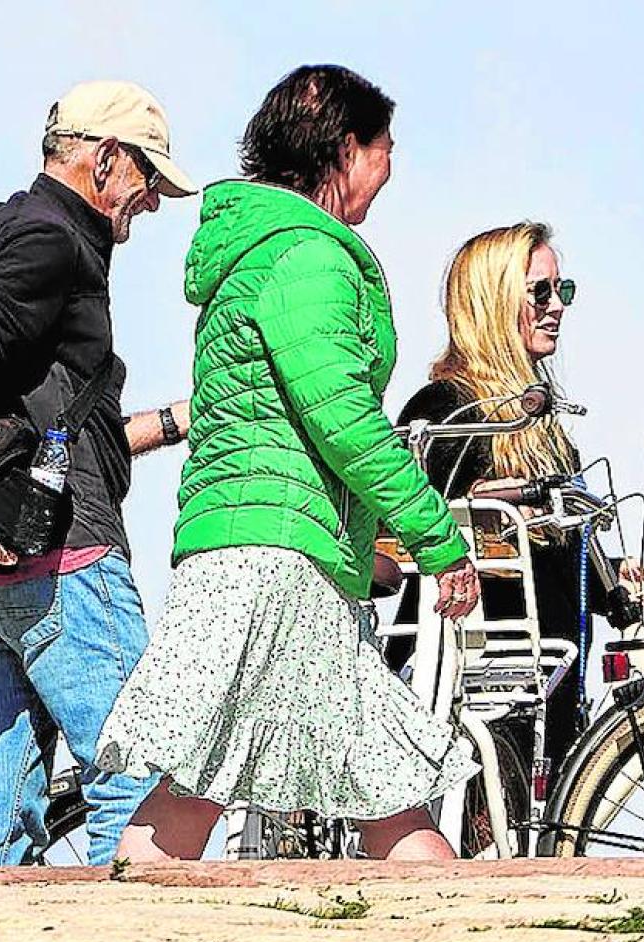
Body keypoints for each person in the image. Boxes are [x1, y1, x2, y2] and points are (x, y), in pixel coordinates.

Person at [95, 65, 483, 861]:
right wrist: (439, 538)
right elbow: (342, 419)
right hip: (279, 552)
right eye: (384, 150)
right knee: (251, 784)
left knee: (348, 783)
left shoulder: (261, 253)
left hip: (259, 546)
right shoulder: (308, 257)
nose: (389, 169)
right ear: (344, 150)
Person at [0, 81, 198, 866]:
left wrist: (177, 421)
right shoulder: (52, 240)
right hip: (64, 566)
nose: (153, 203)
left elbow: (52, 425)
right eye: (148, 177)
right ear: (106, 159)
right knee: (141, 788)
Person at [388, 221, 644, 786]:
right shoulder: (446, 409)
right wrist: (502, 503)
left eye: (561, 291)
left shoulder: (544, 425)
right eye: (539, 292)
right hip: (483, 674)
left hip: (552, 669)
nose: (555, 307)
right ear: (493, 302)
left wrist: (617, 577)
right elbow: (421, 521)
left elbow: (553, 549)